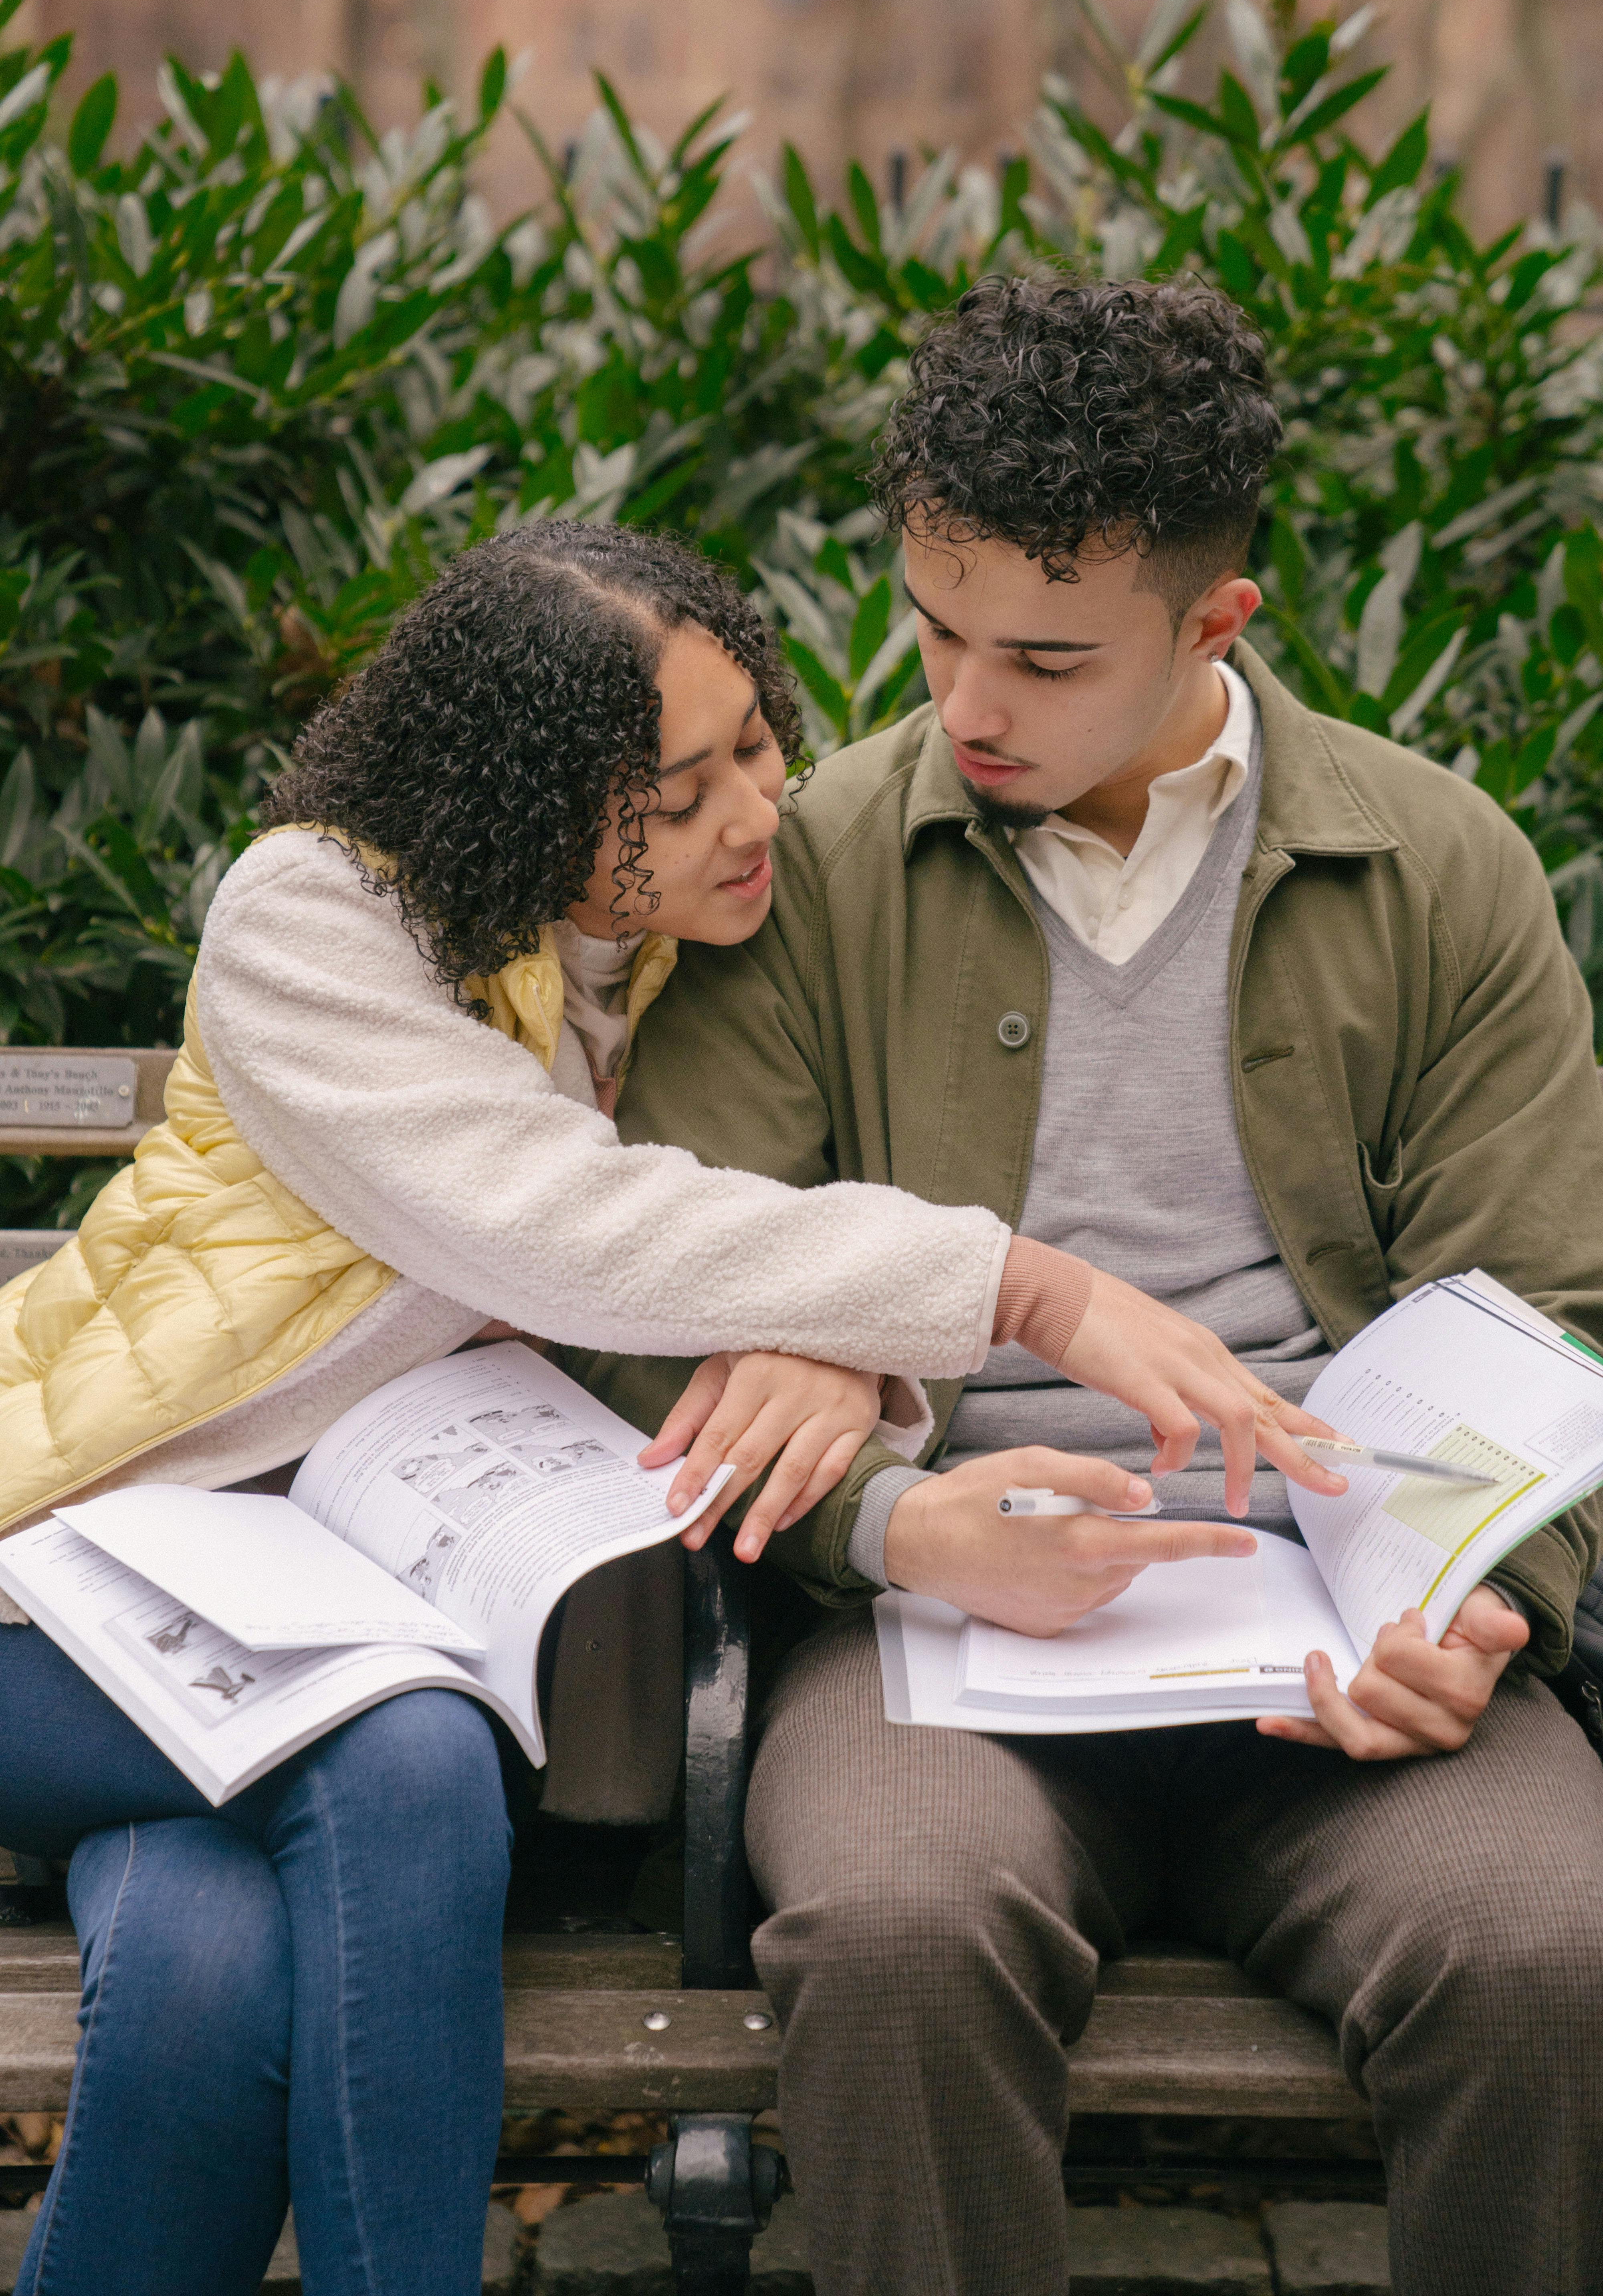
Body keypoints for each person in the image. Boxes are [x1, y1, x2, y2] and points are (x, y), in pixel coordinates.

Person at [0, 519, 1322, 2296]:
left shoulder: (695, 948)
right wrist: (1019, 1288)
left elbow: (776, 1206)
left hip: (336, 1604)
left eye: (758, 750)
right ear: (524, 803)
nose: (751, 818)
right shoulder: (314, 919)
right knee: (398, 1766)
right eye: (674, 797)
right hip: (70, 1573)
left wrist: (830, 1339)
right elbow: (570, 1224)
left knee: (202, 1964)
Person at [579, 279, 1603, 2296]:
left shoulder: (1437, 864)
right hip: (939, 1641)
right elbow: (650, 1299)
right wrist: (894, 1525)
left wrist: (1476, 1604)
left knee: (1549, 1946)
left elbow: (1539, 1304)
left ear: (1215, 625)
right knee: (891, 1936)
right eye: (936, 628)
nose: (964, 702)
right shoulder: (821, 868)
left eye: (1044, 660)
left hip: (1340, 1629)